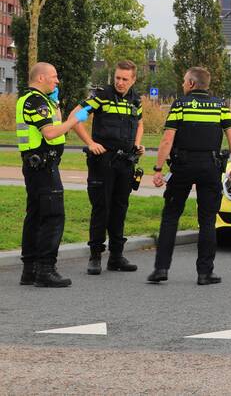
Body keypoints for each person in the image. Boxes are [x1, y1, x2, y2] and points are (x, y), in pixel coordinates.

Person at [147, 67, 231, 285]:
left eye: (183, 81)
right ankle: (205, 273)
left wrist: (159, 169)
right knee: (208, 220)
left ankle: (161, 269)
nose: (182, 85)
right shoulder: (220, 106)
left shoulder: (180, 105)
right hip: (210, 166)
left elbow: (167, 140)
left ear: (191, 83)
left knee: (171, 216)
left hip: (182, 165)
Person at [17, 62, 90, 287]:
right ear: (40, 78)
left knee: (36, 215)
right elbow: (50, 132)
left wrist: (56, 102)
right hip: (43, 167)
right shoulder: (35, 101)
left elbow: (51, 123)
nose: (57, 80)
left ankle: (30, 269)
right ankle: (46, 269)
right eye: (54, 77)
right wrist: (74, 120)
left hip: (38, 166)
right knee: (53, 216)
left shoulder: (40, 100)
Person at [74, 60, 145, 275]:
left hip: (125, 162)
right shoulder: (101, 96)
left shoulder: (136, 100)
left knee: (120, 208)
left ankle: (116, 256)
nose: (120, 82)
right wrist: (90, 143)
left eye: (125, 79)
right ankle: (95, 256)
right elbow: (76, 118)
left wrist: (137, 144)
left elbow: (140, 123)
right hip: (102, 161)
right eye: (117, 78)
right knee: (101, 208)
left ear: (133, 80)